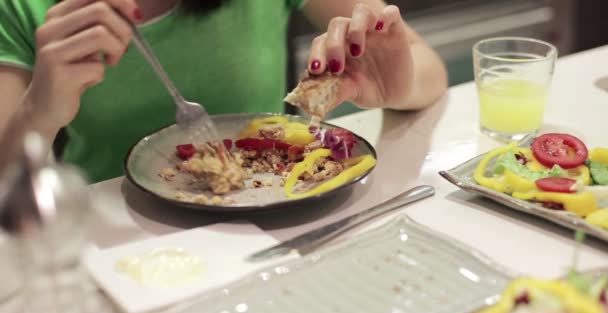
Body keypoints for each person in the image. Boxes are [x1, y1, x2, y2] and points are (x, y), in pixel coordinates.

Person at [0, 0, 447, 183]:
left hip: (273, 215)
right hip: (106, 259)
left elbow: (421, 61)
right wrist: (38, 113)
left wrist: (395, 85)